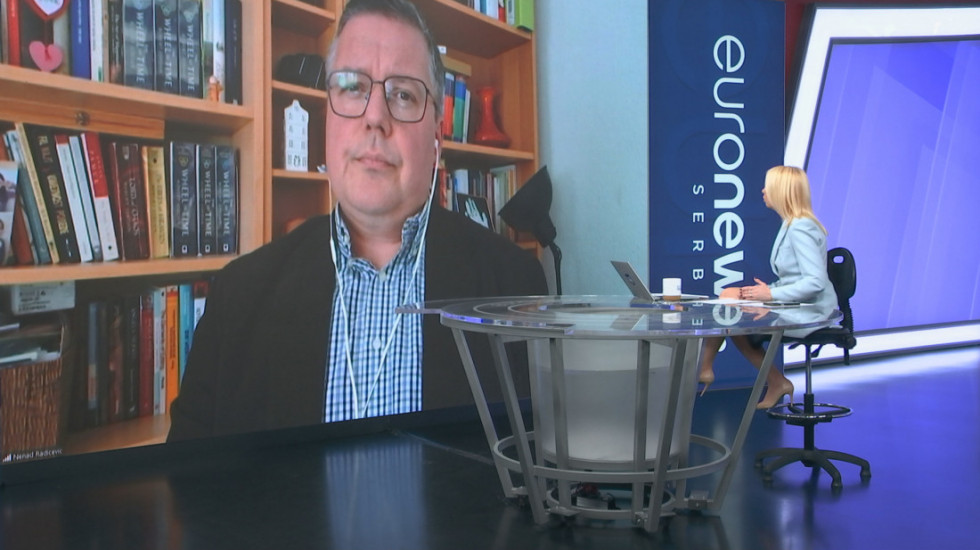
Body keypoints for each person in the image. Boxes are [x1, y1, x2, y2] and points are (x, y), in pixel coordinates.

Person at [168, 0, 547, 441]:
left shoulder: (517, 288)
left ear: (436, 135)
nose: (375, 117)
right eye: (352, 87)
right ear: (327, 115)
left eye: (403, 94)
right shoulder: (237, 295)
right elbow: (191, 478)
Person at [698, 165, 837, 409]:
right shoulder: (790, 224)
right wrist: (769, 290)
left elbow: (815, 281)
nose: (763, 191)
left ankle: (708, 368)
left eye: (768, 186)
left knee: (733, 314)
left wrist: (771, 294)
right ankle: (768, 380)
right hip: (792, 300)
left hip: (810, 310)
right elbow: (795, 277)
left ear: (781, 191)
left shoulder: (801, 227)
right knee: (729, 294)